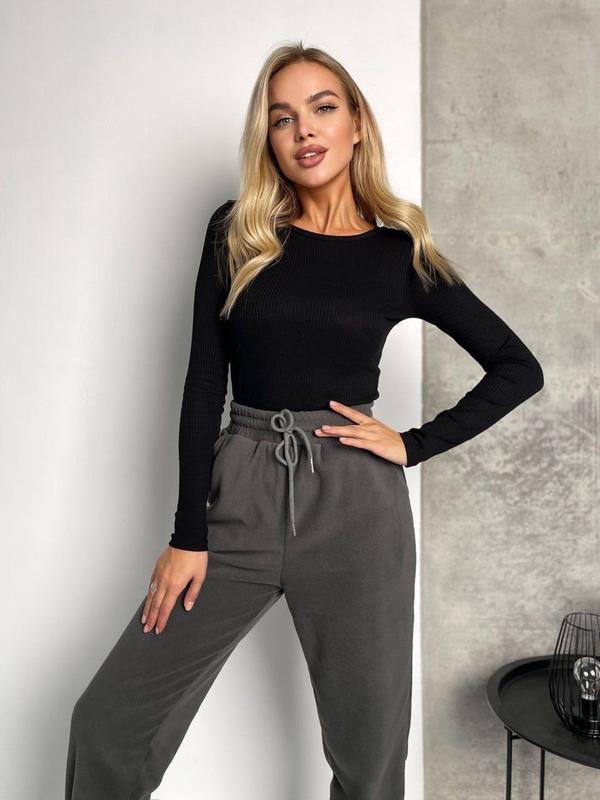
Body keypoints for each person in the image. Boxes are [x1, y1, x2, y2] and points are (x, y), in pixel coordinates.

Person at [65, 42, 544, 800]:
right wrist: (188, 535)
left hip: (357, 506)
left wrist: (412, 445)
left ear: (357, 123)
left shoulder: (399, 253)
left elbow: (519, 366)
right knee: (108, 723)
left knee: (370, 761)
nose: (304, 130)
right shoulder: (237, 232)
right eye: (283, 117)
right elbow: (203, 386)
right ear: (269, 138)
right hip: (241, 491)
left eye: (323, 108)